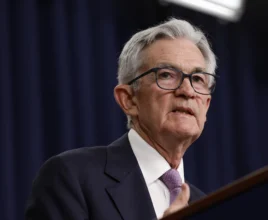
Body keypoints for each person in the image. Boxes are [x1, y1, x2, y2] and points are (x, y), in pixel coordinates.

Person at [25, 17, 218, 220]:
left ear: (206, 105)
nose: (187, 91)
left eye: (197, 79)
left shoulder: (208, 207)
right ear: (128, 100)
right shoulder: (71, 177)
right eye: (166, 75)